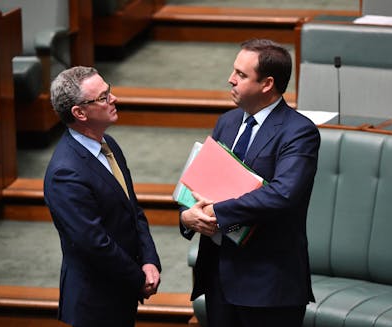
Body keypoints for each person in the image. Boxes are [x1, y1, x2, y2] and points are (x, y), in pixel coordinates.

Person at [180, 39, 320, 327]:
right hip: (219, 277)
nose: (230, 79)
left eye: (241, 75)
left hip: (268, 284)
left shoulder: (299, 132)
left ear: (267, 84)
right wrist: (187, 216)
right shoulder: (227, 123)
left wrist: (217, 211)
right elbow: (199, 183)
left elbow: (283, 194)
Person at [44, 66, 161, 327]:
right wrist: (138, 278)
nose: (114, 99)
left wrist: (150, 260)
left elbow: (133, 210)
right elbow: (94, 244)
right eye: (103, 97)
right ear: (80, 113)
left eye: (110, 91)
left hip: (121, 289)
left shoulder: (109, 145)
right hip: (94, 303)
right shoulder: (66, 172)